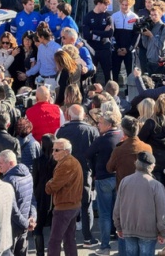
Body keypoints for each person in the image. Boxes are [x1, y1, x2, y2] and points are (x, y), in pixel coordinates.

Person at [56, 104, 99, 247]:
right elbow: (96, 154)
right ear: (84, 115)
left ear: (68, 116)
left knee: (65, 205)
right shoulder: (92, 131)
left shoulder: (61, 131)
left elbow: (56, 153)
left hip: (66, 172)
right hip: (85, 172)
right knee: (86, 205)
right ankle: (87, 237)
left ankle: (64, 237)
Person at [113, 151, 165, 256]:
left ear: (136, 164)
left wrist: (118, 226)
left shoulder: (124, 181)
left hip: (128, 229)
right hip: (148, 231)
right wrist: (162, 232)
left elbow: (117, 208)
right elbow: (161, 212)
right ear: (152, 166)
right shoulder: (156, 185)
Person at [86, 110, 123, 254]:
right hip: (119, 178)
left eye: (100, 123)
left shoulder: (101, 139)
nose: (98, 125)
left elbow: (88, 154)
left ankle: (105, 246)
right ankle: (122, 246)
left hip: (103, 178)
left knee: (105, 214)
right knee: (118, 212)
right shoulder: (121, 136)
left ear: (108, 125)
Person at [45, 138, 83, 256]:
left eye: (57, 150)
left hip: (64, 208)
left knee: (54, 241)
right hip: (72, 206)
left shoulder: (66, 164)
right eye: (53, 149)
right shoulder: (70, 162)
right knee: (69, 239)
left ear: (66, 151)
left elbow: (51, 188)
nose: (53, 153)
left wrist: (49, 183)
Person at [0, 150, 36, 256]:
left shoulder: (8, 180)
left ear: (10, 163)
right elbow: (32, 199)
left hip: (12, 226)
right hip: (24, 224)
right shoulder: (28, 174)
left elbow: (12, 209)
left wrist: (26, 223)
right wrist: (32, 218)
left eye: (0, 163)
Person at [82, 0, 114, 83]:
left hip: (105, 49)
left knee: (108, 73)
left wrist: (94, 32)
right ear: (99, 4)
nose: (106, 7)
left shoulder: (108, 16)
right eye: (105, 5)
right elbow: (86, 35)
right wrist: (103, 33)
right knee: (92, 74)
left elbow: (110, 33)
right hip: (92, 49)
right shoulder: (88, 17)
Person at [111, 0, 139, 80]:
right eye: (122, 4)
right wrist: (116, 48)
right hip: (116, 50)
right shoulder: (114, 16)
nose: (124, 7)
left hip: (129, 50)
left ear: (130, 5)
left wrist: (128, 49)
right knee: (115, 72)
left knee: (130, 73)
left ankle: (128, 92)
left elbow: (136, 36)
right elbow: (112, 35)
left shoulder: (135, 17)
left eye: (126, 5)